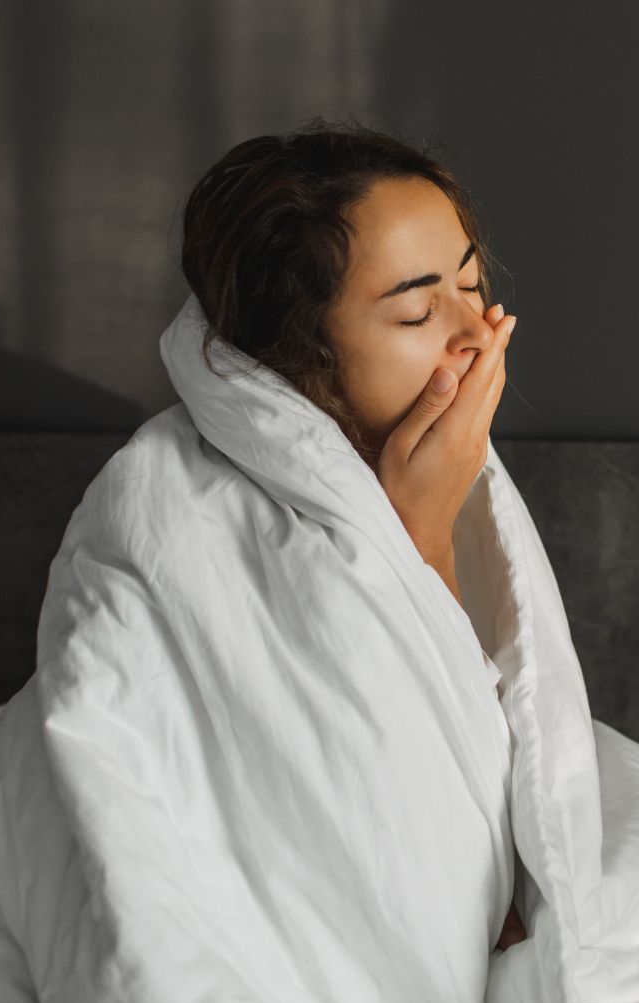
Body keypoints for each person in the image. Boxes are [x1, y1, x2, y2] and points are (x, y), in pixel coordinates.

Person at [178, 117, 527, 952]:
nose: (478, 332)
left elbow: (495, 873)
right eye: (416, 313)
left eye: (472, 285)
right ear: (301, 360)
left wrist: (428, 531)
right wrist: (419, 537)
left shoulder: (452, 473)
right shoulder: (181, 516)